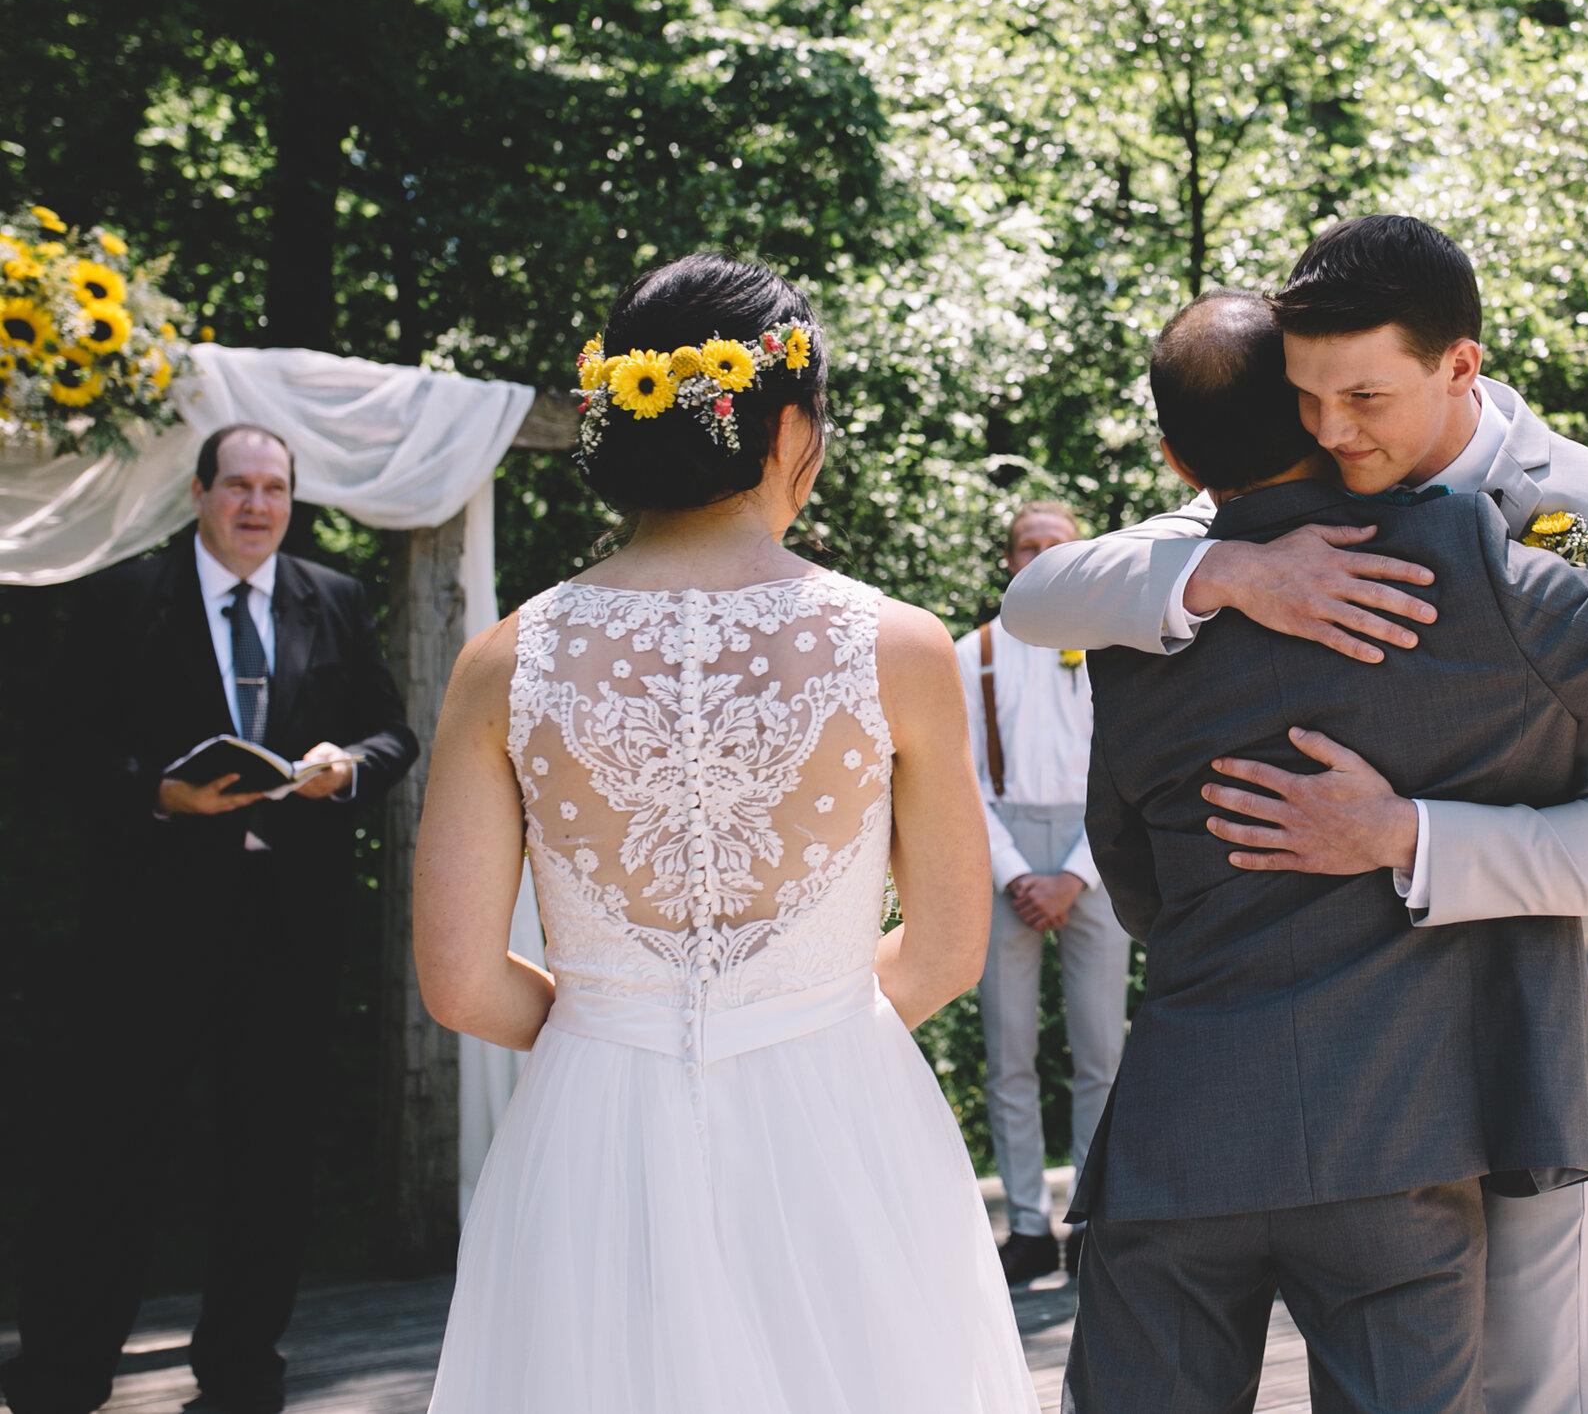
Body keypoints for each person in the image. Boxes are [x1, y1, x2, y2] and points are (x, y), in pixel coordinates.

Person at [1004, 216, 1588, 1414]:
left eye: (1363, 397)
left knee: (1536, 1379)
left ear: (1459, 365)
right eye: (1308, 400)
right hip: (1378, 1108)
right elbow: (1038, 592)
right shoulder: (1259, 522)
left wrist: (1404, 834)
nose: (1333, 432)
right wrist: (1226, 571)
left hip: (1534, 1024)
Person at [412, 254, 1037, 1414]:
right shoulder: (897, 646)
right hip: (842, 1115)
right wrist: (799, 1028)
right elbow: (951, 948)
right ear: (790, 426)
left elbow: (456, 981)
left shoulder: (505, 660)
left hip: (590, 1120)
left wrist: (614, 1031)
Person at [0, 425, 419, 1414]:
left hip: (288, 930)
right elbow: (54, 748)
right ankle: (63, 1370)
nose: (257, 505)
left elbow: (393, 730)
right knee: (109, 1149)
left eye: (275, 488)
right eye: (238, 485)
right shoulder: (121, 596)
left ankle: (240, 1370)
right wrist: (157, 794)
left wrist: (346, 766)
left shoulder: (336, 596)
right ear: (197, 492)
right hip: (143, 931)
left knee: (268, 1156)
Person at [958, 501, 1131, 1286]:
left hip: (1094, 851)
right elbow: (959, 780)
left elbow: (1128, 770)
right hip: (1003, 853)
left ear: (1079, 556)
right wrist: (1015, 873)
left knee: (1102, 1048)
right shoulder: (973, 654)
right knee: (1010, 1051)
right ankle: (1027, 1224)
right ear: (1007, 561)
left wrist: (1074, 871)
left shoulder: (1114, 648)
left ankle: (1095, 1219)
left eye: (1053, 545)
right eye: (1025, 547)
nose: (1037, 556)